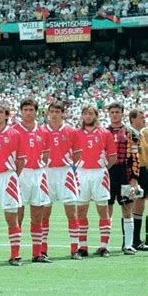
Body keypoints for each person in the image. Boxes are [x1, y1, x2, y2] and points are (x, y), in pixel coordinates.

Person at [0, 103, 25, 267]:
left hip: (7, 177)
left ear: (7, 115)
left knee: (12, 218)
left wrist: (13, 175)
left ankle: (15, 255)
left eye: (2, 112)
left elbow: (21, 160)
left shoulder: (15, 133)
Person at [13, 98, 52, 263]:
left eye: (31, 110)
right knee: (18, 215)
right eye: (25, 110)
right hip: (20, 174)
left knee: (38, 215)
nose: (28, 113)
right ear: (21, 111)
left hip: (37, 174)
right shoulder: (14, 130)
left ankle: (38, 253)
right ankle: (15, 254)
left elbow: (46, 155)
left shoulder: (43, 131)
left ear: (36, 112)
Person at [42, 102, 82, 259]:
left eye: (57, 111)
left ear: (63, 113)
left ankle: (74, 249)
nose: (54, 114)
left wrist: (68, 164)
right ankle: (43, 249)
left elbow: (77, 154)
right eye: (51, 111)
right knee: (44, 214)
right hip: (47, 172)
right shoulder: (42, 130)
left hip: (65, 173)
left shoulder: (71, 131)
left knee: (71, 213)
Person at [75, 105, 117, 257]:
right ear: (82, 116)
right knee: (81, 210)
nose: (88, 116)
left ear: (96, 116)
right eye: (85, 113)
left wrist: (102, 167)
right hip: (81, 174)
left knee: (103, 210)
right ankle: (82, 247)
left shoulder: (105, 133)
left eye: (91, 114)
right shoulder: (76, 134)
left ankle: (104, 246)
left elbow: (113, 157)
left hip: (100, 174)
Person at [106, 103, 140, 255]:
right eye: (112, 112)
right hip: (107, 173)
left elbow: (135, 156)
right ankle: (104, 245)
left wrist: (134, 178)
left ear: (122, 114)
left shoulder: (131, 132)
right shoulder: (103, 132)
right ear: (108, 114)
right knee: (106, 209)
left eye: (117, 112)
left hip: (124, 173)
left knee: (127, 209)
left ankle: (128, 245)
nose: (114, 114)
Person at [129, 109, 148, 250]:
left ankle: (144, 239)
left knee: (141, 203)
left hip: (145, 170)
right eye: (141, 117)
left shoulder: (144, 133)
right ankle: (134, 239)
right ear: (133, 119)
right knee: (136, 204)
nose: (144, 119)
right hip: (136, 171)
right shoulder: (128, 133)